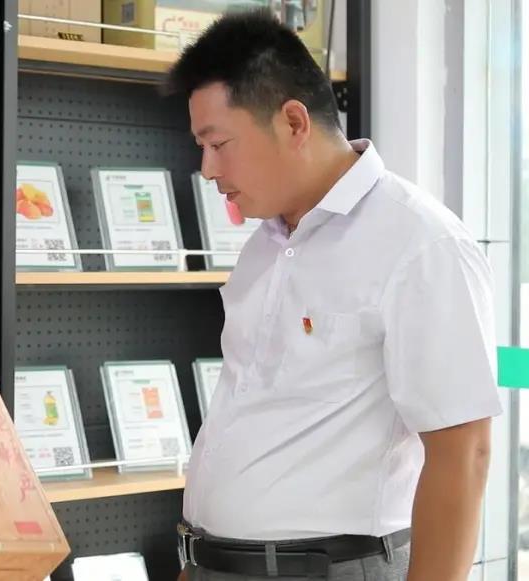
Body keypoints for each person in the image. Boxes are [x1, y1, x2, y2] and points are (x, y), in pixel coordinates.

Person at [168, 12, 502, 581]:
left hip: (332, 568)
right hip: (214, 564)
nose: (207, 169)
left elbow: (463, 452)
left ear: (294, 121)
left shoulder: (421, 243)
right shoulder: (263, 247)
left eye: (219, 143)